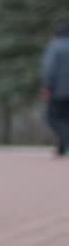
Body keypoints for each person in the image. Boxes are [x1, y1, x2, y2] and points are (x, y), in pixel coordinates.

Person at [42, 19, 69, 157]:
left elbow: (50, 69)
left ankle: (65, 140)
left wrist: (47, 87)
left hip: (60, 91)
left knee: (52, 117)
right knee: (66, 117)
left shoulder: (56, 47)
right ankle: (61, 148)